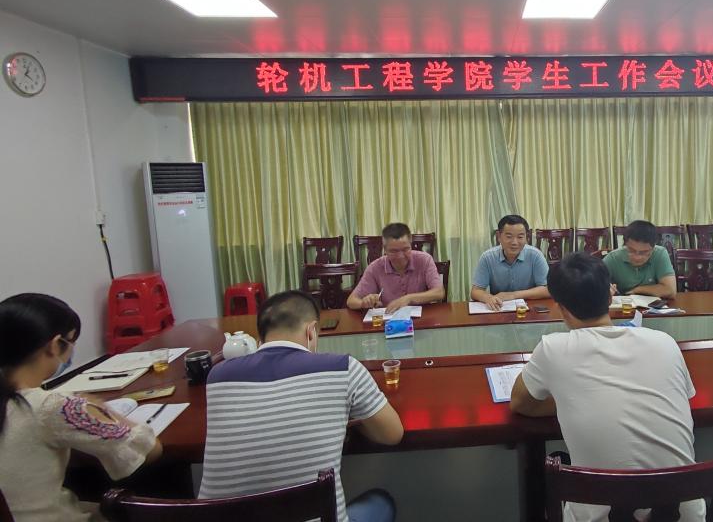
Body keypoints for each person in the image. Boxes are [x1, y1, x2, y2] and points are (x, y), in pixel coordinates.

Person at [509, 252, 704, 522]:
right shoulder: (664, 342)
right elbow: (680, 397)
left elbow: (520, 403)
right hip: (683, 513)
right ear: (610, 297)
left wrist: (572, 399)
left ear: (561, 308)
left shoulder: (554, 348)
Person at [199, 291, 404, 522]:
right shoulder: (343, 368)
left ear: (260, 338)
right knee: (381, 502)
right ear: (311, 331)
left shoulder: (217, 377)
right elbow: (392, 434)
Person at [0, 293, 162, 522]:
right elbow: (148, 450)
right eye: (71, 341)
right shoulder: (55, 406)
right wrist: (101, 409)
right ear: (55, 345)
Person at [347, 223, 444, 313]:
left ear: (411, 245)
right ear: (385, 250)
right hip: (388, 320)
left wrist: (408, 298)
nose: (400, 256)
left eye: (405, 249)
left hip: (421, 319)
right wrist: (364, 303)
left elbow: (439, 292)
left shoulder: (424, 260)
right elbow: (351, 301)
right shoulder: (375, 267)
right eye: (394, 251)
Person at [471, 214, 550, 310]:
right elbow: (475, 291)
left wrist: (513, 295)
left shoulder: (536, 256)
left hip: (530, 310)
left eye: (520, 237)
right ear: (499, 237)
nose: (514, 242)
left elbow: (548, 289)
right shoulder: (487, 258)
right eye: (509, 237)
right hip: (499, 309)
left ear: (527, 237)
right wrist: (489, 298)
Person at [602, 220, 676, 299]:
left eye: (644, 252)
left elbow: (670, 290)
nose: (637, 257)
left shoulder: (660, 253)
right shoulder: (613, 258)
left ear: (653, 247)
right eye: (631, 250)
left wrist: (637, 290)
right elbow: (595, 286)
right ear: (625, 244)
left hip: (652, 306)